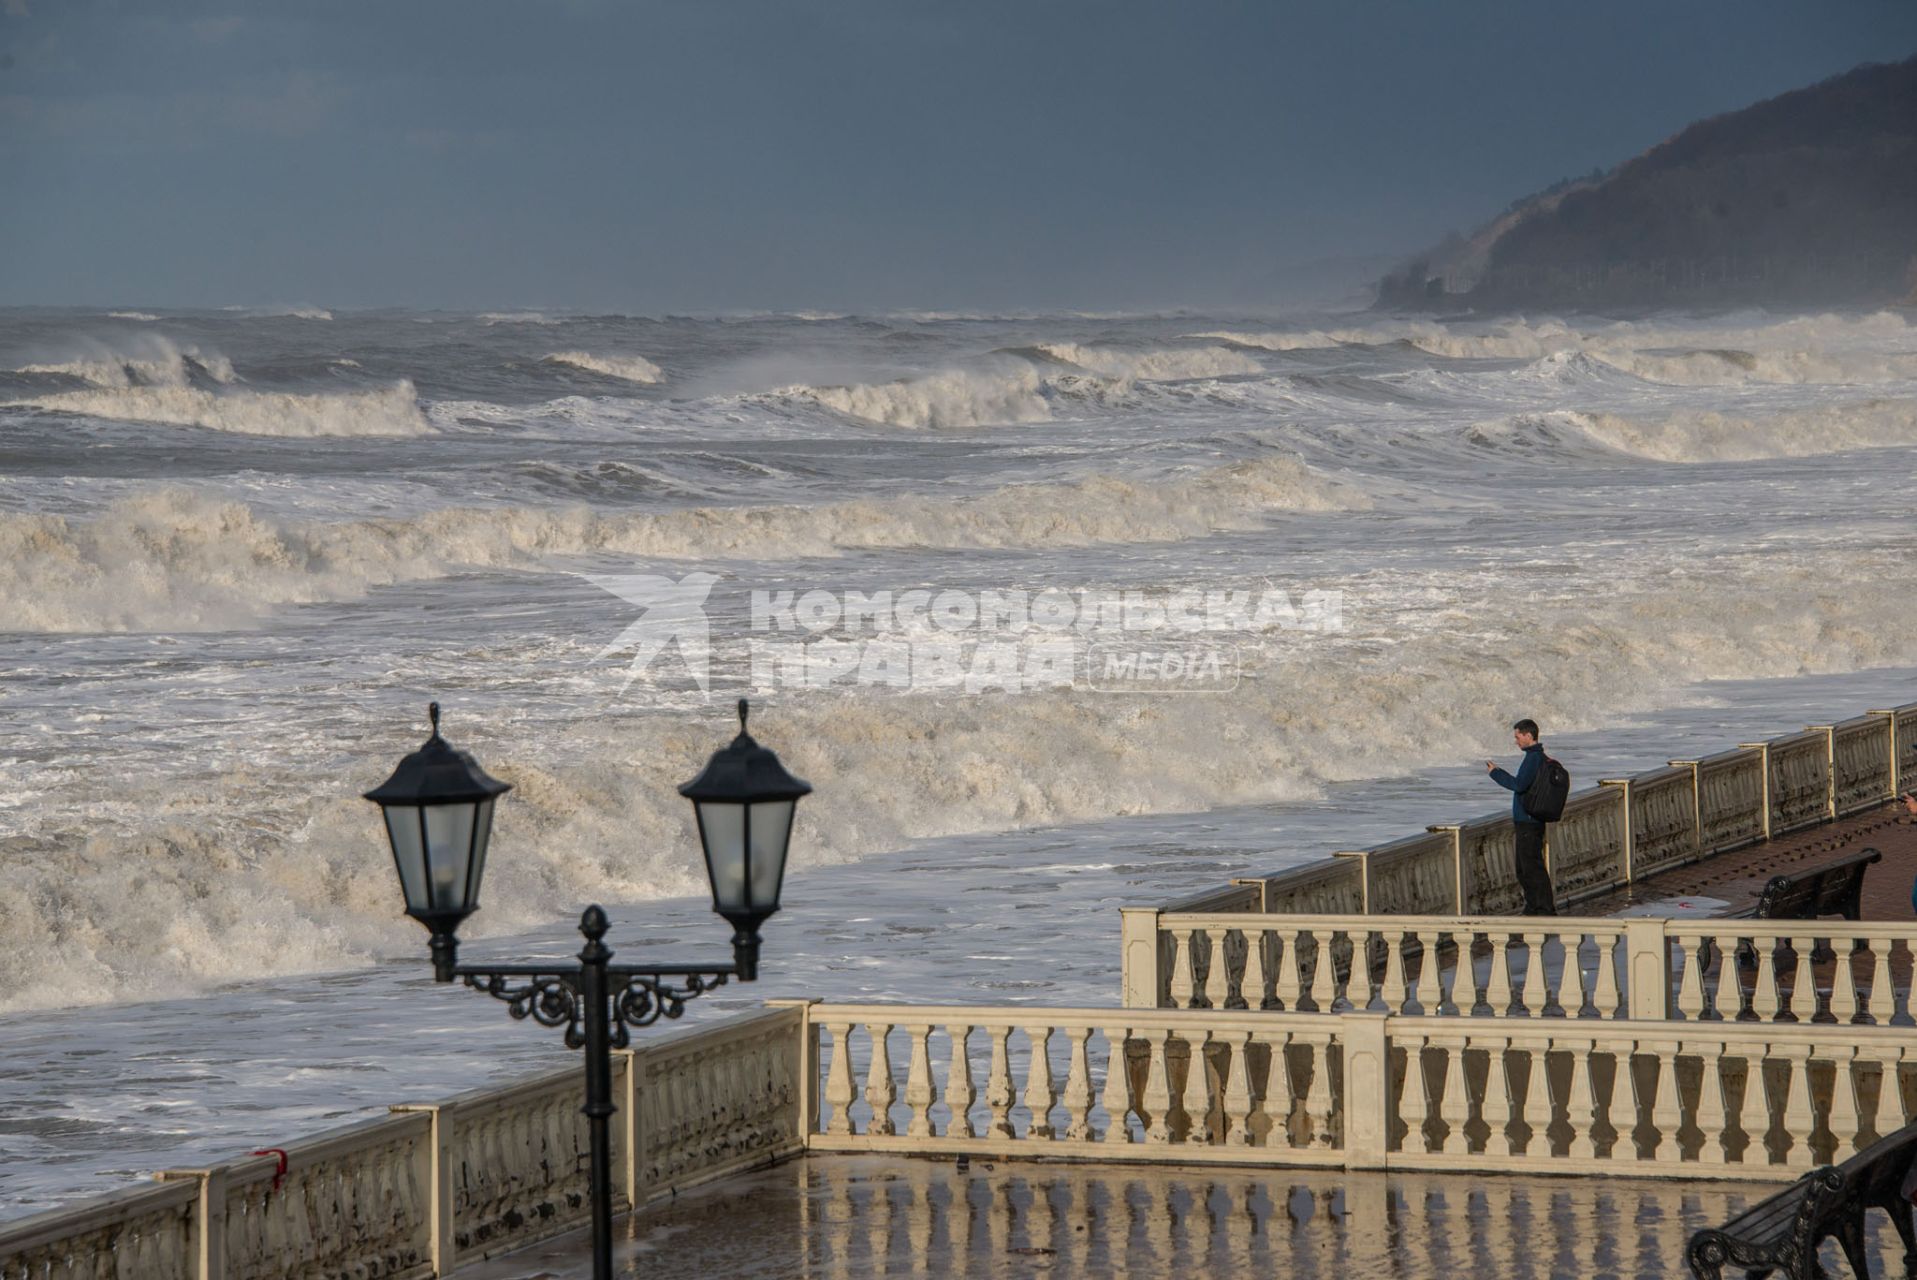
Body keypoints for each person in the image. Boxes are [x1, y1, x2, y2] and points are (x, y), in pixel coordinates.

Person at [1487, 718, 1556, 915]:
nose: (1516, 741)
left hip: (1528, 821)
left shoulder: (1533, 759)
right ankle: (1535, 906)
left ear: (1528, 735)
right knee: (1525, 867)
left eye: (1518, 737)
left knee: (1530, 868)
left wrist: (1496, 773)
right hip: (1530, 820)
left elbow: (1519, 785)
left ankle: (1541, 908)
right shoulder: (1537, 757)